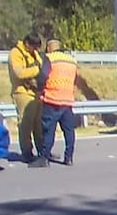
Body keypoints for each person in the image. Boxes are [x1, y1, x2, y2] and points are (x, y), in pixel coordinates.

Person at [30, 39, 80, 168]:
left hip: (52, 99)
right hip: (67, 100)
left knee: (48, 131)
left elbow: (43, 77)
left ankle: (44, 158)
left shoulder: (50, 58)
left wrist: (38, 88)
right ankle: (69, 157)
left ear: (49, 48)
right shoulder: (72, 60)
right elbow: (75, 79)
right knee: (69, 131)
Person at [8, 33, 44, 162]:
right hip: (23, 92)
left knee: (39, 124)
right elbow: (19, 73)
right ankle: (27, 152)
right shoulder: (16, 53)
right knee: (25, 124)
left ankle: (43, 151)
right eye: (34, 47)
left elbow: (41, 66)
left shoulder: (34, 54)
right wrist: (36, 70)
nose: (36, 51)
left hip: (36, 93)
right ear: (27, 44)